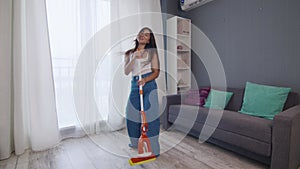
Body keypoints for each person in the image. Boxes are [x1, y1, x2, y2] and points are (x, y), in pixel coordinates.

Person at [124, 27, 160, 157]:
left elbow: (156, 72)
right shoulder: (129, 53)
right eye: (141, 33)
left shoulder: (152, 53)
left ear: (150, 39)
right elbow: (126, 71)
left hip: (149, 84)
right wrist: (134, 58)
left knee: (151, 116)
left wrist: (145, 80)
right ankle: (135, 142)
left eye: (146, 35)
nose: (143, 36)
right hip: (135, 85)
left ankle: (154, 149)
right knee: (131, 113)